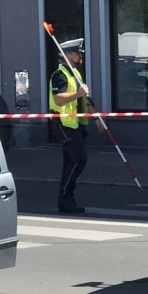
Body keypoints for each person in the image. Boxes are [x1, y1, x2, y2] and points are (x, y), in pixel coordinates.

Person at [49, 38, 88, 213]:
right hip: (63, 124)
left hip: (74, 124)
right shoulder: (60, 75)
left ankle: (64, 199)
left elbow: (83, 99)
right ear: (68, 55)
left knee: (70, 162)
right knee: (79, 159)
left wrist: (93, 117)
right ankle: (65, 197)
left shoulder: (74, 73)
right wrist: (78, 93)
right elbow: (59, 98)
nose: (80, 56)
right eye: (78, 53)